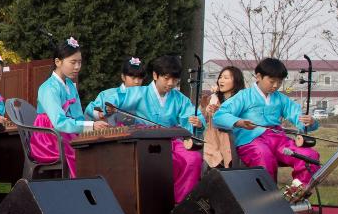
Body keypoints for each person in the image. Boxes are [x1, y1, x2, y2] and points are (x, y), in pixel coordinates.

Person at [107, 55, 206, 202]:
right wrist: (107, 107)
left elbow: (191, 113)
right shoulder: (139, 93)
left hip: (172, 139)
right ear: (155, 75)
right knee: (163, 162)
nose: (171, 83)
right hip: (146, 140)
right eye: (166, 78)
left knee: (193, 158)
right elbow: (113, 99)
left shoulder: (179, 98)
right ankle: (157, 202)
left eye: (175, 79)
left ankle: (183, 201)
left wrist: (198, 121)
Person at [214, 57, 320, 186]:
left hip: (278, 140)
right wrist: (239, 122)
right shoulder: (243, 96)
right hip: (251, 141)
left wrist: (309, 122)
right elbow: (219, 115)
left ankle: (299, 191)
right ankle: (268, 199)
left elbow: (297, 116)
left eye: (279, 82)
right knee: (263, 155)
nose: (275, 86)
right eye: (272, 81)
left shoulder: (281, 98)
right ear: (258, 77)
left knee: (309, 155)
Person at [30, 37, 102, 176]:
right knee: (78, 151)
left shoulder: (69, 85)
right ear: (58, 62)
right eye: (73, 62)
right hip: (49, 136)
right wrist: (89, 126)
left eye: (79, 62)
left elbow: (78, 115)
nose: (77, 67)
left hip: (66, 132)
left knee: (93, 145)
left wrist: (90, 127)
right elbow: (58, 122)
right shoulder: (48, 88)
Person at [201, 65, 244, 168]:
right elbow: (204, 118)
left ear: (236, 81)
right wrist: (206, 106)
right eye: (220, 77)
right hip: (212, 140)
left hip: (232, 140)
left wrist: (219, 112)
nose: (221, 80)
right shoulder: (213, 98)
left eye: (226, 78)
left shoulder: (241, 99)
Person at [85, 56, 148, 122]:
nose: (137, 82)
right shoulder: (106, 94)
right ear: (123, 77)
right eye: (133, 77)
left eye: (140, 78)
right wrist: (101, 113)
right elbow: (90, 111)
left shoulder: (147, 96)